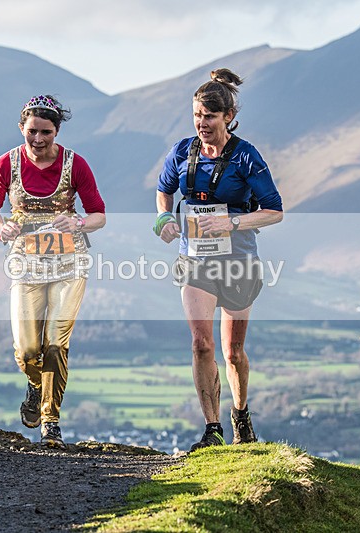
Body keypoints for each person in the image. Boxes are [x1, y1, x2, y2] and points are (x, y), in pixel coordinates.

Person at [154, 69, 284, 451]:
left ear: (227, 116)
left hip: (239, 260)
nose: (201, 123)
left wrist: (233, 222)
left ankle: (240, 414)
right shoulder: (182, 150)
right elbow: (163, 192)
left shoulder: (246, 155)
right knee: (200, 344)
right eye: (197, 115)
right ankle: (212, 429)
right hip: (194, 259)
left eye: (209, 116)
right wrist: (163, 218)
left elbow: (274, 211)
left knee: (232, 351)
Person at [0, 95, 106, 448]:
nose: (38, 140)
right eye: (32, 132)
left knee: (55, 344)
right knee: (26, 350)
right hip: (26, 264)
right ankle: (36, 385)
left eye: (46, 133)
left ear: (57, 131)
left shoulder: (75, 164)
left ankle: (51, 421)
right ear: (22, 127)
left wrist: (79, 221)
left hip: (70, 263)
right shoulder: (6, 164)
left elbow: (99, 215)